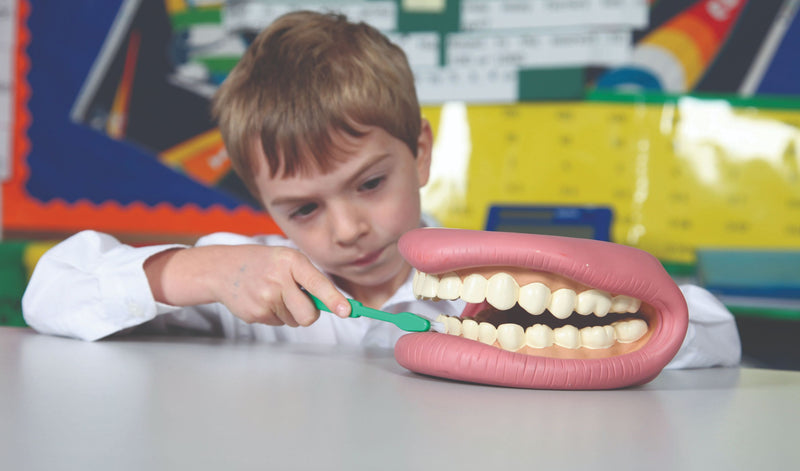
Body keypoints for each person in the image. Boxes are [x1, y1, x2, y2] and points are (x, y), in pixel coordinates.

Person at [21, 11, 740, 369]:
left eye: (369, 182)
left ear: (420, 152)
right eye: (303, 207)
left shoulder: (491, 280)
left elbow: (712, 330)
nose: (347, 229)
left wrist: (567, 316)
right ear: (263, 201)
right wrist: (200, 269)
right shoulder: (245, 291)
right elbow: (50, 289)